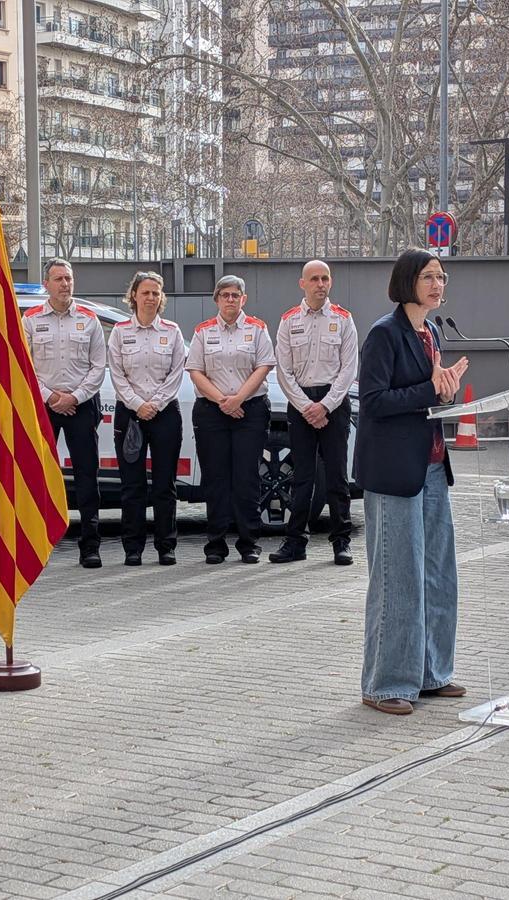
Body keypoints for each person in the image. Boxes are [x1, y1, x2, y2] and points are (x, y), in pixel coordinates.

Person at [356, 248, 470, 716]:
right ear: (408, 282)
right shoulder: (384, 334)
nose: (438, 285)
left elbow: (429, 397)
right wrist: (430, 390)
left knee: (437, 575)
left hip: (432, 466)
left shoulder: (433, 331)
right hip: (394, 471)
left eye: (442, 277)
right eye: (429, 277)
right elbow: (374, 401)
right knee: (397, 579)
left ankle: (431, 674)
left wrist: (446, 391)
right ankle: (384, 684)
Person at [270, 259, 359, 566]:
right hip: (301, 404)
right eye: (314, 279)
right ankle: (295, 542)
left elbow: (349, 369)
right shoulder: (288, 320)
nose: (321, 284)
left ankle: (341, 542)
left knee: (336, 477)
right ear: (302, 284)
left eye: (325, 278)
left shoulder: (344, 319)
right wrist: (306, 406)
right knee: (302, 477)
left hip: (333, 403)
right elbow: (283, 371)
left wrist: (325, 405)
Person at [185, 275, 276, 565]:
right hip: (212, 412)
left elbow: (263, 366)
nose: (230, 300)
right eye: (225, 295)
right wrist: (223, 402)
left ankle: (249, 543)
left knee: (247, 478)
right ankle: (216, 544)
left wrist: (238, 400)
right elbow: (195, 371)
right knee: (216, 478)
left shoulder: (257, 328)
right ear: (217, 299)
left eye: (236, 295)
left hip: (250, 410)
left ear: (243, 299)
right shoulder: (203, 331)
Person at [22, 258, 107, 568]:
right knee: (38, 475)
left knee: (87, 475)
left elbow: (99, 366)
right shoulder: (30, 319)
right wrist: (51, 397)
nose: (65, 284)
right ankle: (36, 545)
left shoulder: (89, 319)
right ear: (46, 284)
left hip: (81, 406)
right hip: (42, 406)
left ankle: (90, 546)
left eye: (68, 278)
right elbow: (24, 366)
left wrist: (74, 397)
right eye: (58, 279)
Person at [107, 272, 186, 567]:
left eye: (156, 293)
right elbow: (117, 374)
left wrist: (156, 404)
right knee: (133, 485)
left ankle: (166, 547)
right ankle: (133, 548)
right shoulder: (120, 332)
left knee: (165, 485)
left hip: (165, 414)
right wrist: (138, 405)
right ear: (134, 296)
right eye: (145, 292)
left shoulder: (172, 331)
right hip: (130, 414)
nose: (151, 298)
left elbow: (176, 373)